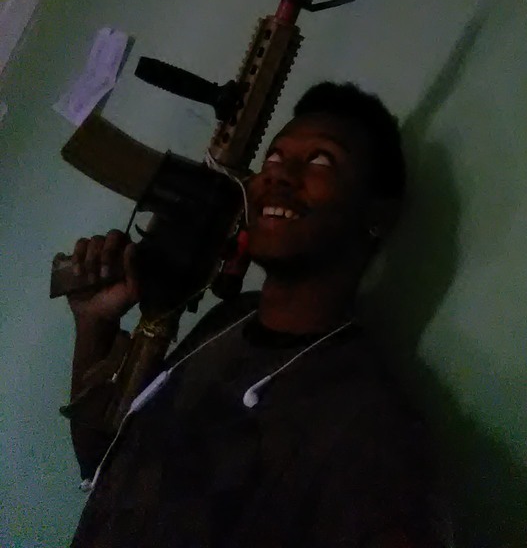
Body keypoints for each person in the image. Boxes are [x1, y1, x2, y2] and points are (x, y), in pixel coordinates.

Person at [64, 81, 444, 547]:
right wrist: (94, 322)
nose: (279, 176)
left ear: (378, 216)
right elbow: (100, 460)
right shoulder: (228, 322)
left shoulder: (369, 421)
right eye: (274, 159)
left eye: (322, 161)